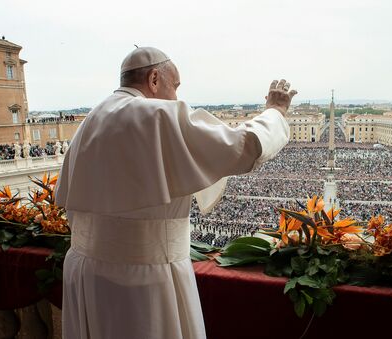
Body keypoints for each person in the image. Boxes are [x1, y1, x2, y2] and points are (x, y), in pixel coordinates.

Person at [55, 46, 297, 339]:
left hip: (84, 273)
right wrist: (275, 111)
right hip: (142, 278)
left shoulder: (90, 120)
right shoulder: (157, 114)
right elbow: (242, 146)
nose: (177, 97)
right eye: (176, 85)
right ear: (154, 79)